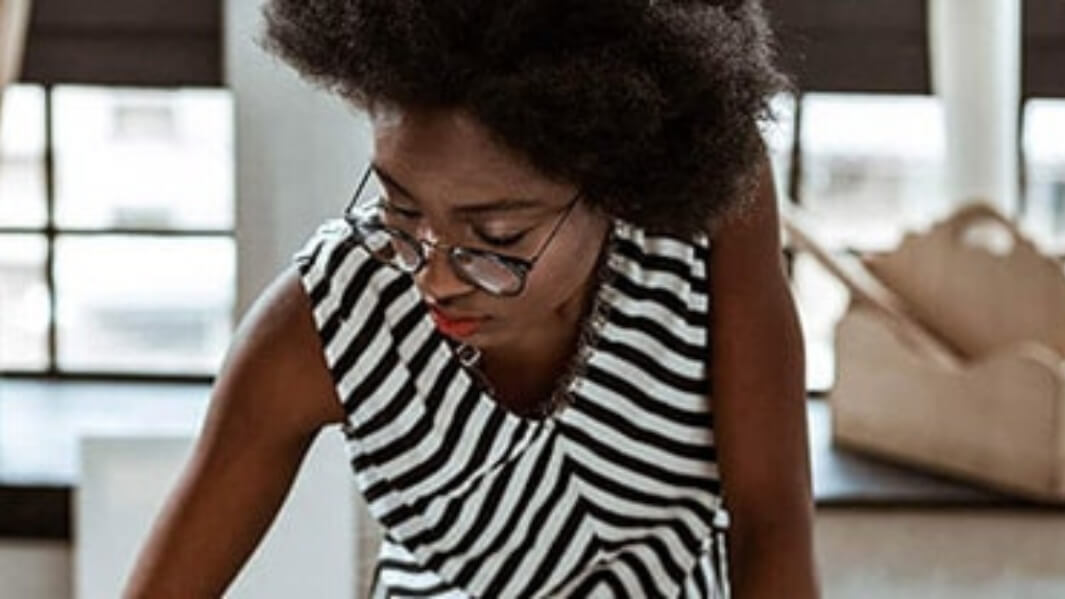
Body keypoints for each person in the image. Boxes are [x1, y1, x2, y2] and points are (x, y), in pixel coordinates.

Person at [123, 1, 817, 597]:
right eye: (399, 208)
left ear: (611, 184)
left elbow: (770, 521)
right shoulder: (329, 320)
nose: (434, 274)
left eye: (495, 235)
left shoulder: (705, 226)